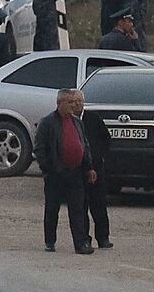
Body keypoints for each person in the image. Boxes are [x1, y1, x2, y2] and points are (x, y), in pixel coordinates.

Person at [33, 89, 95, 254]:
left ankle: (81, 243)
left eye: (74, 102)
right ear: (60, 103)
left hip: (76, 173)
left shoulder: (77, 122)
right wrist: (48, 168)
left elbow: (85, 145)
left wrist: (89, 167)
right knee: (52, 209)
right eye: (69, 102)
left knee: (78, 210)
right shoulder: (47, 122)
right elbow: (39, 148)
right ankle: (50, 241)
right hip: (56, 174)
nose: (73, 105)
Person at [74, 91, 113, 249]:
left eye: (79, 101)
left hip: (96, 168)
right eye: (73, 101)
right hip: (76, 169)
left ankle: (103, 238)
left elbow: (106, 138)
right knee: (80, 206)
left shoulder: (93, 118)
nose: (76, 104)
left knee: (99, 204)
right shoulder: (66, 121)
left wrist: (100, 158)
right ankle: (84, 238)